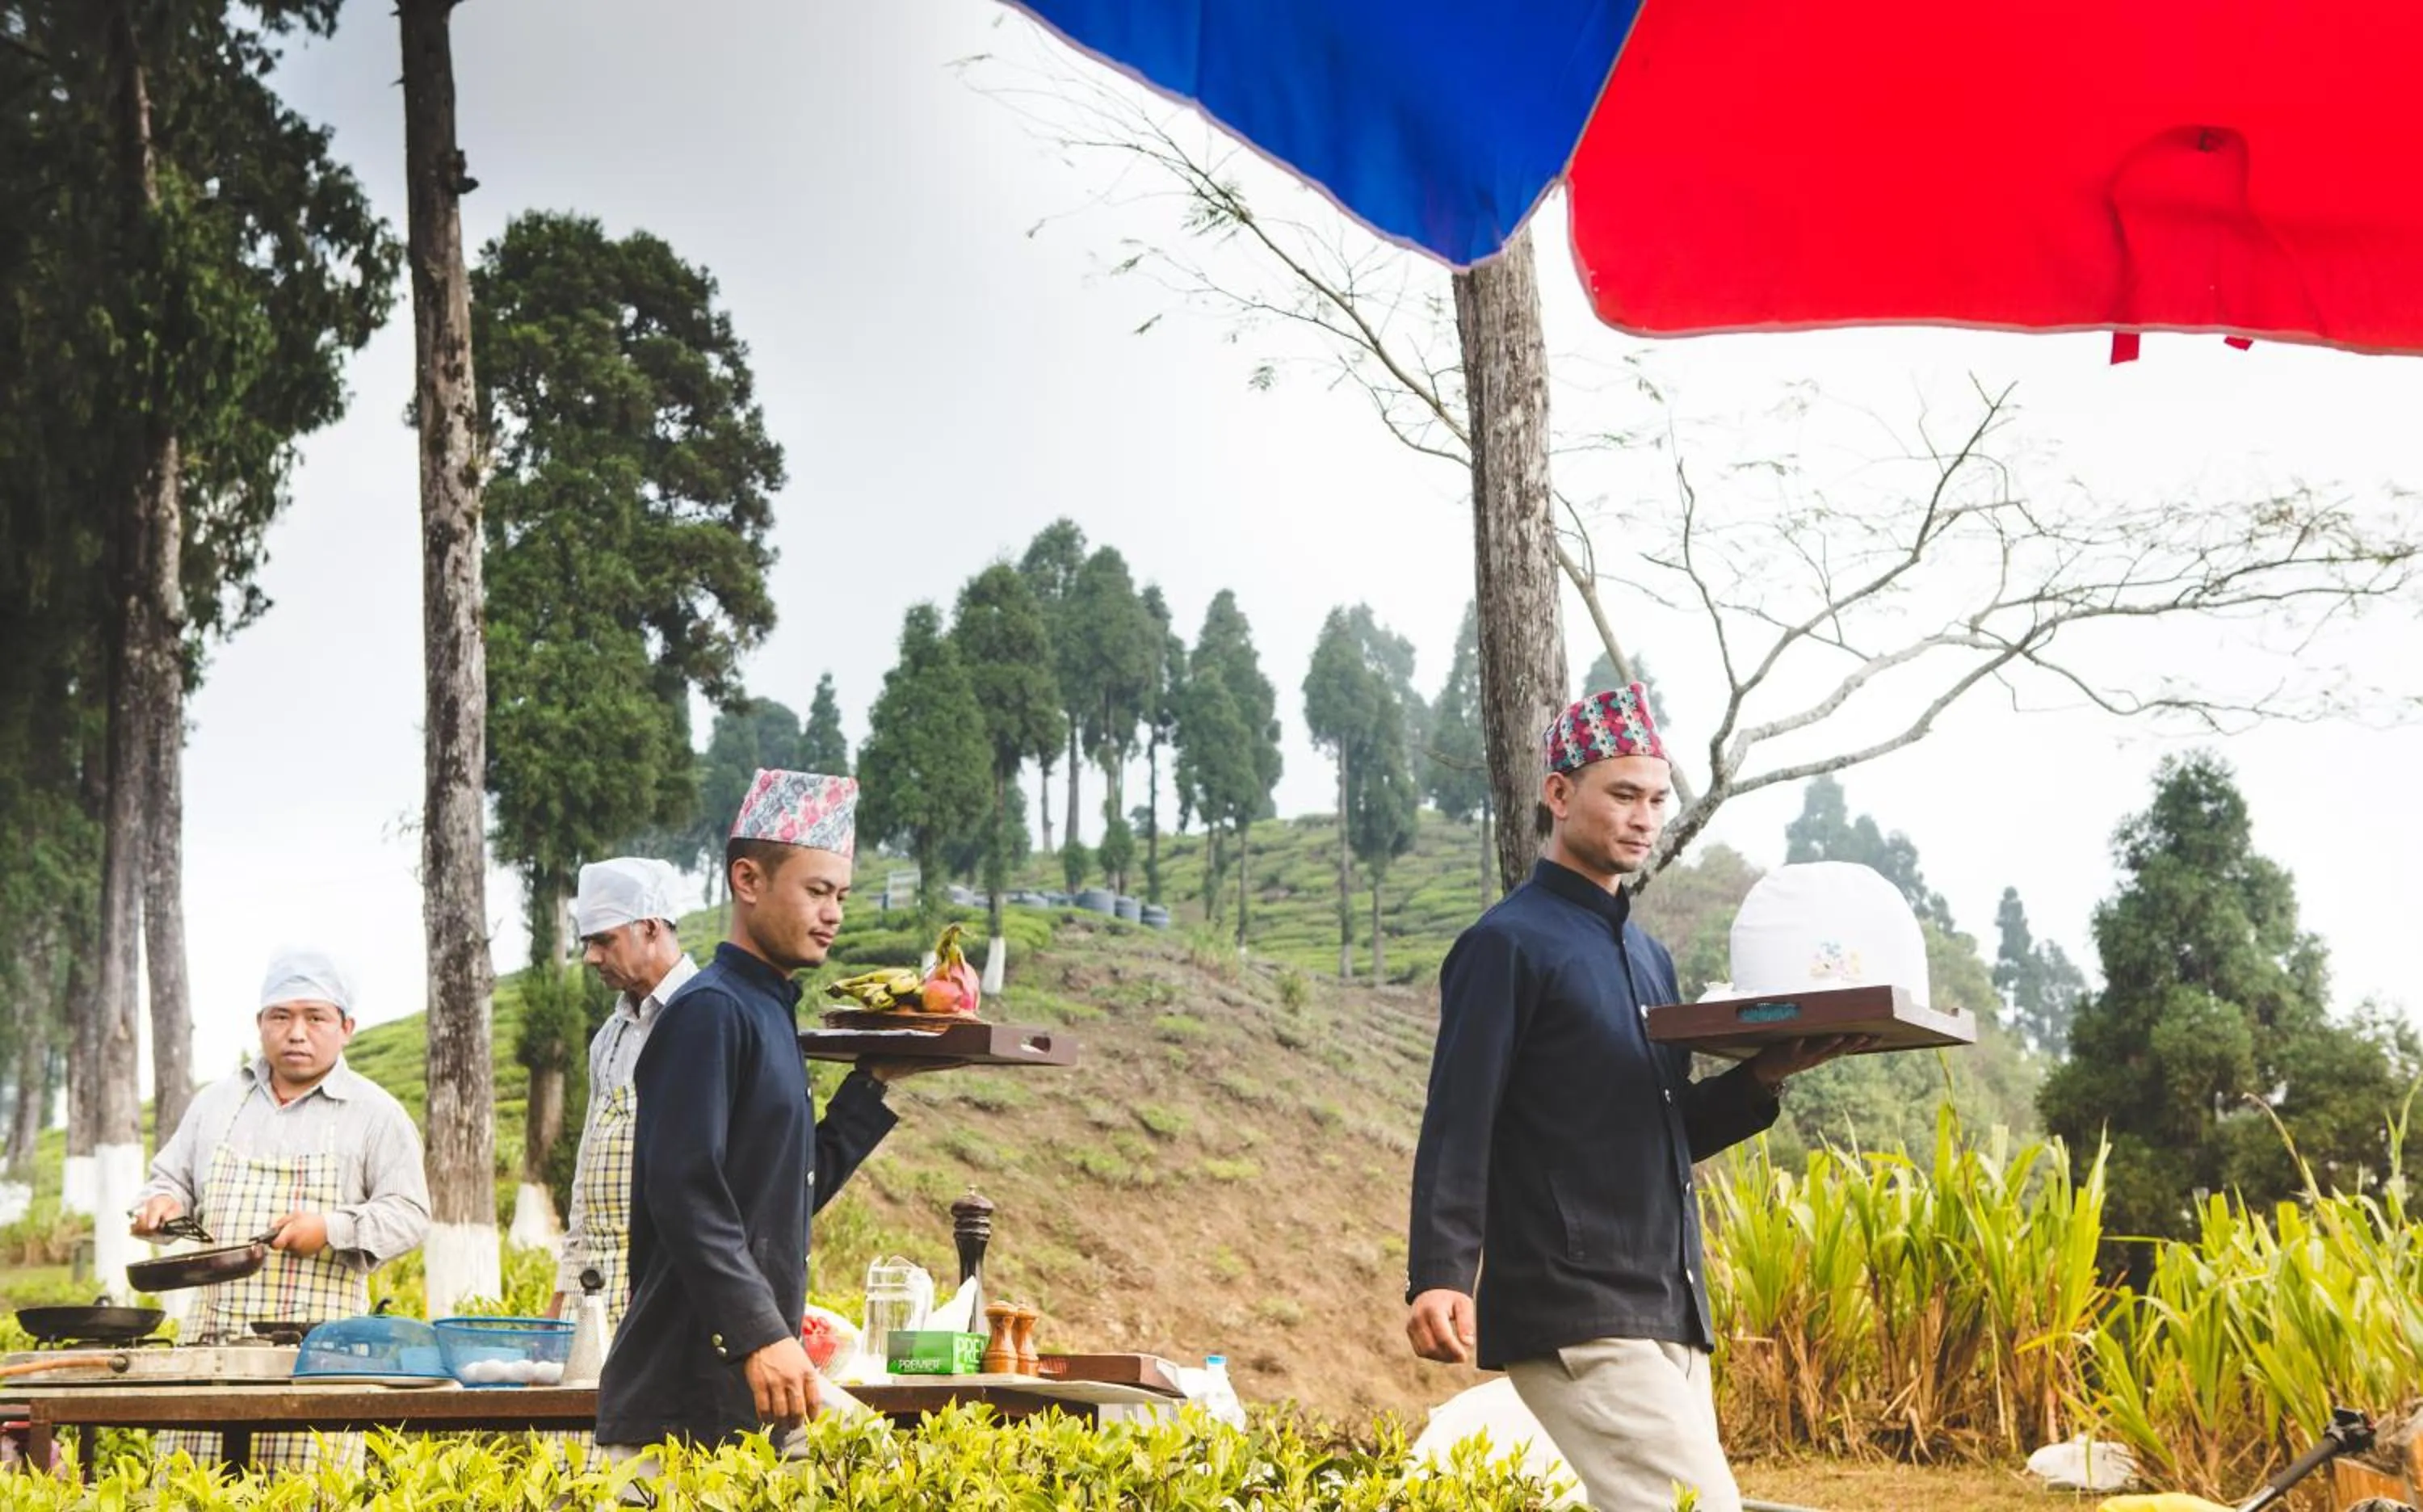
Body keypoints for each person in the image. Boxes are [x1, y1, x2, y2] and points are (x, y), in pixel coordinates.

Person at [1403, 686, 1864, 1512]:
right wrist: (1440, 1275)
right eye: (1623, 794)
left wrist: (1763, 1077)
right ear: (1559, 794)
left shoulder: (1650, 960)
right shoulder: (1505, 945)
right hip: (1575, 1302)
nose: (1644, 818)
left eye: (1656, 799)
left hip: (1669, 1300)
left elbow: (1660, 1129)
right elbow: (1458, 1120)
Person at [596, 769, 935, 1463]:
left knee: (890, 1463)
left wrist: (870, 1084)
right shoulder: (710, 1010)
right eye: (816, 891)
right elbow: (684, 1191)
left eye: (840, 894)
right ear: (748, 881)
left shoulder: (769, 1012)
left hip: (747, 1402)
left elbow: (783, 1194)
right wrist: (759, 1333)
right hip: (679, 1408)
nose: (835, 913)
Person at [130, 948, 430, 1468]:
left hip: (320, 1357)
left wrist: (331, 1227)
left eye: (315, 1017)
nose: (296, 1033)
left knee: (304, 1497)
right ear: (260, 1023)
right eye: (281, 1016)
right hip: (212, 1351)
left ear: (346, 1027)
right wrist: (161, 1203)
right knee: (193, 1495)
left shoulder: (377, 1114)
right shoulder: (216, 1103)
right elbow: (169, 1179)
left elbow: (410, 1214)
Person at [551, 855, 695, 1331]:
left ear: (651, 928)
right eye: (587, 941)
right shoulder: (610, 1036)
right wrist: (561, 1296)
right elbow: (585, 1180)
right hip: (593, 1297)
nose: (591, 956)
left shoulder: (706, 1017)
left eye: (603, 940)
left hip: (668, 1296)